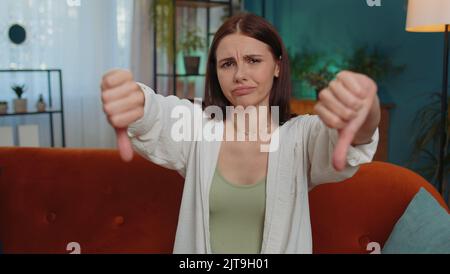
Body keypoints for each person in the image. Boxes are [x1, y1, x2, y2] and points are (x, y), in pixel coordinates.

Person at [100, 13, 380, 254]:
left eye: (253, 60)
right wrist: (136, 102)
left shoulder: (300, 136)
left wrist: (365, 112)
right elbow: (157, 115)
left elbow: (351, 138)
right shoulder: (198, 125)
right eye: (227, 64)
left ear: (278, 66)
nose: (239, 75)